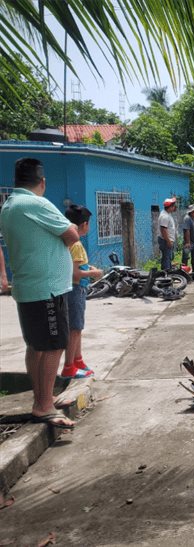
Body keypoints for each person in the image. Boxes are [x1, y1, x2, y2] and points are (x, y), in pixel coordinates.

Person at [0, 158, 79, 429]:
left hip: (30, 286)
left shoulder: (10, 205)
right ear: (42, 182)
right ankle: (43, 406)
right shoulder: (35, 203)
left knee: (37, 346)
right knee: (54, 345)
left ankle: (44, 397)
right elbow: (72, 234)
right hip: (47, 289)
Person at [61, 204, 103, 379]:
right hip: (75, 289)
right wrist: (94, 273)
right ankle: (69, 367)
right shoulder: (76, 244)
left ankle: (78, 360)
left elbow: (76, 266)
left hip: (73, 288)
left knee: (77, 327)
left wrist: (87, 267)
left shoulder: (69, 241)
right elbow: (76, 273)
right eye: (89, 223)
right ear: (84, 224)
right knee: (75, 329)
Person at [158, 197, 177, 270]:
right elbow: (163, 230)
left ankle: (166, 273)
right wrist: (168, 241)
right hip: (165, 241)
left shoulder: (167, 214)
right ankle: (166, 275)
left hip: (166, 240)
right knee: (166, 259)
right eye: (173, 206)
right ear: (170, 207)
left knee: (167, 258)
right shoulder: (165, 216)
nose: (175, 207)